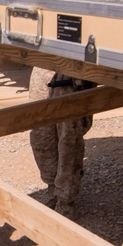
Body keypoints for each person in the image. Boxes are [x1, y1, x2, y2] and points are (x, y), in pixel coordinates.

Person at [28, 67, 94, 219]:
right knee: (40, 135)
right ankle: (53, 188)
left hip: (71, 64)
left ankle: (66, 200)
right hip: (42, 61)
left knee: (69, 139)